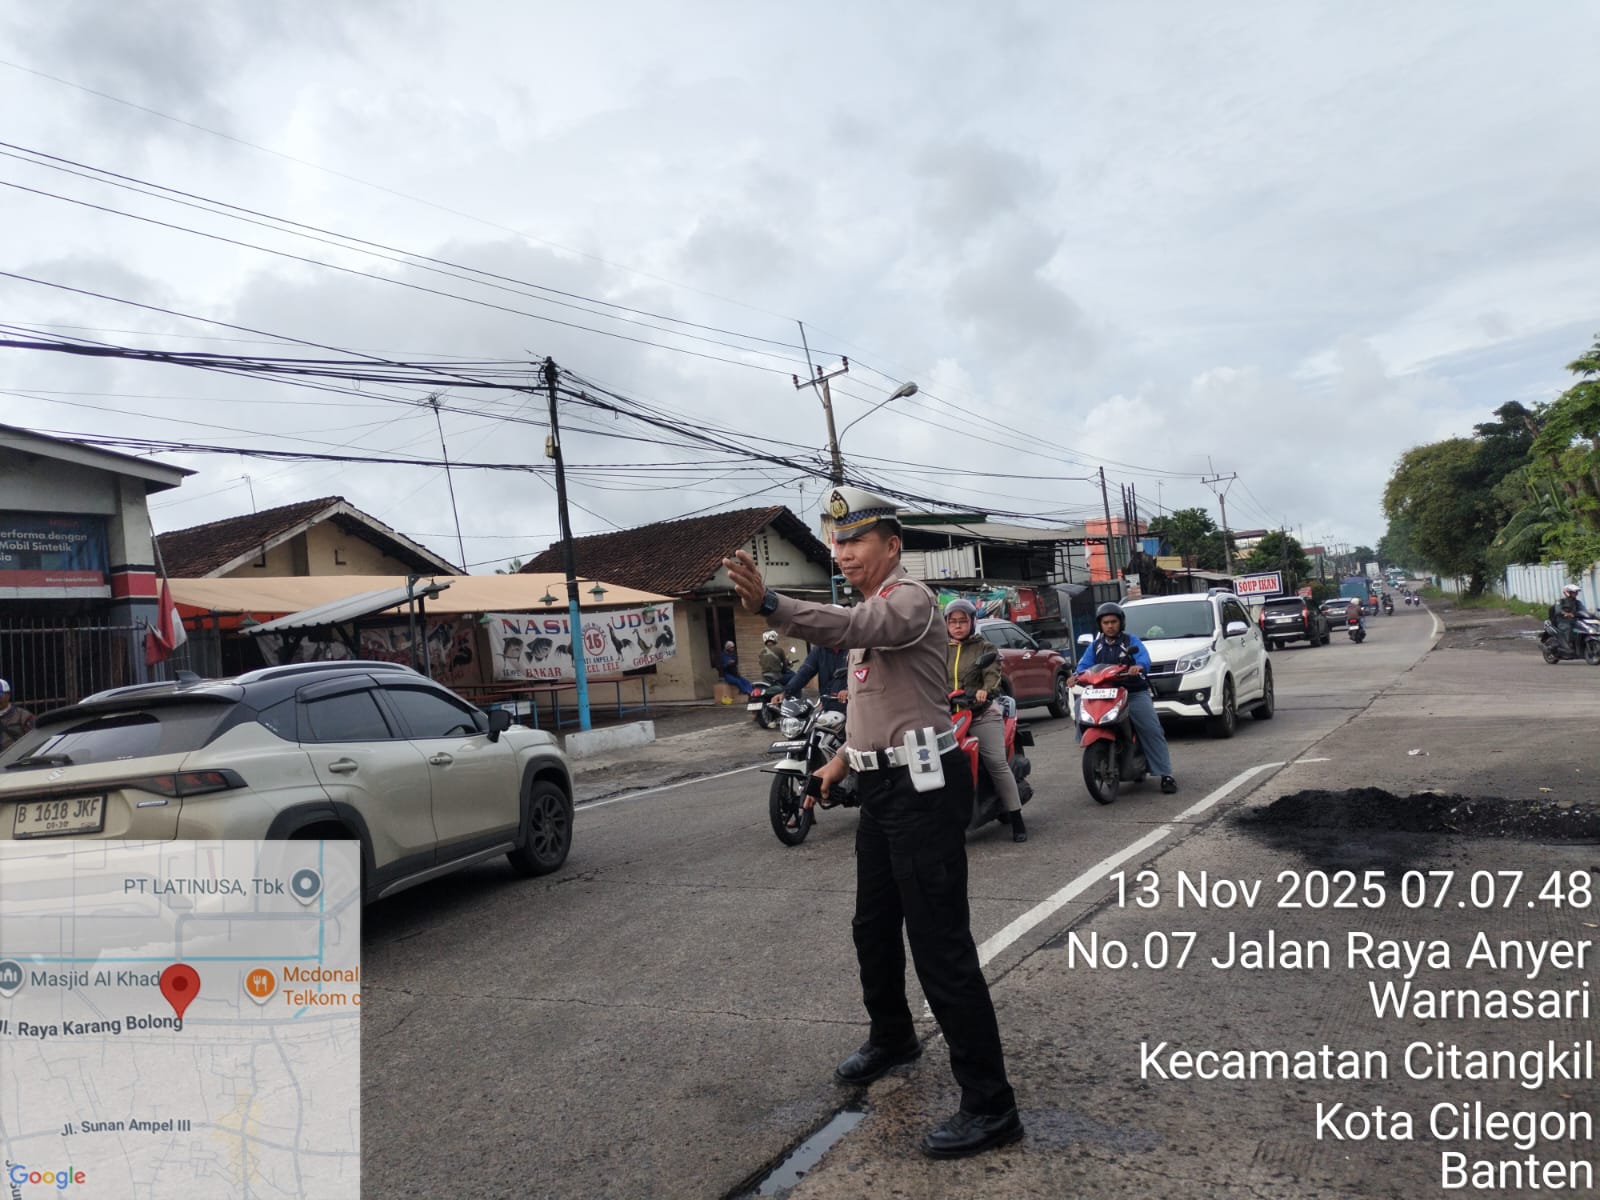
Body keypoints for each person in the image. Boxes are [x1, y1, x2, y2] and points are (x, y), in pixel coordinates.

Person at [724, 485, 1021, 1159]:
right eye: (838, 542)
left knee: (940, 945)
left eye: (855, 540)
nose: (843, 552)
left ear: (891, 544)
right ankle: (893, 1036)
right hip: (883, 788)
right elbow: (875, 711)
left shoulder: (909, 601)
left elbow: (852, 629)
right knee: (873, 927)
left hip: (924, 790)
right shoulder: (868, 614)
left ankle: (991, 1105)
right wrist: (838, 764)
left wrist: (771, 605)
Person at [1069, 602, 1177, 794]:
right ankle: (1089, 744)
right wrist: (1076, 676)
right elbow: (1084, 666)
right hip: (1103, 693)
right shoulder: (1096, 646)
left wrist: (1139, 666)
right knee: (1079, 706)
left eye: (1113, 622)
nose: (1110, 626)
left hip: (1132, 692)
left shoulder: (1130, 641)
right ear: (1100, 625)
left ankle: (1165, 774)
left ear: (1121, 623)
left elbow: (1143, 657)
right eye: (1106, 623)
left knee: (1151, 728)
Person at [943, 598, 1027, 843]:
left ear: (972, 622)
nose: (958, 626)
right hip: (947, 716)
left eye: (963, 621)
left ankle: (1017, 817)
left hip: (980, 714)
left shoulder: (984, 647)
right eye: (952, 621)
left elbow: (993, 675)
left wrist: (985, 691)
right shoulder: (940, 650)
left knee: (996, 763)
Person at [785, 642, 850, 713]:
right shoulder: (819, 650)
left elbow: (858, 674)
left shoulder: (853, 648)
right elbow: (805, 671)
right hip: (828, 704)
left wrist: (849, 690)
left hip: (850, 705)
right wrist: (786, 692)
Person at [1551, 584, 1589, 655]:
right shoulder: (1560, 601)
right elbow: (1558, 611)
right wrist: (1566, 613)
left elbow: (1584, 610)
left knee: (1584, 629)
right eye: (1574, 592)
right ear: (1568, 592)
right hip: (1563, 622)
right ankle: (1568, 645)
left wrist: (1590, 615)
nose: (1576, 594)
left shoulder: (1577, 602)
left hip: (1574, 621)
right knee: (1569, 628)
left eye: (1576, 592)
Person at [0, 679, 35, 752]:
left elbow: (35, 739)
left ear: (8, 695)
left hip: (16, 757)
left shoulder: (23, 716)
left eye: (0, 696)